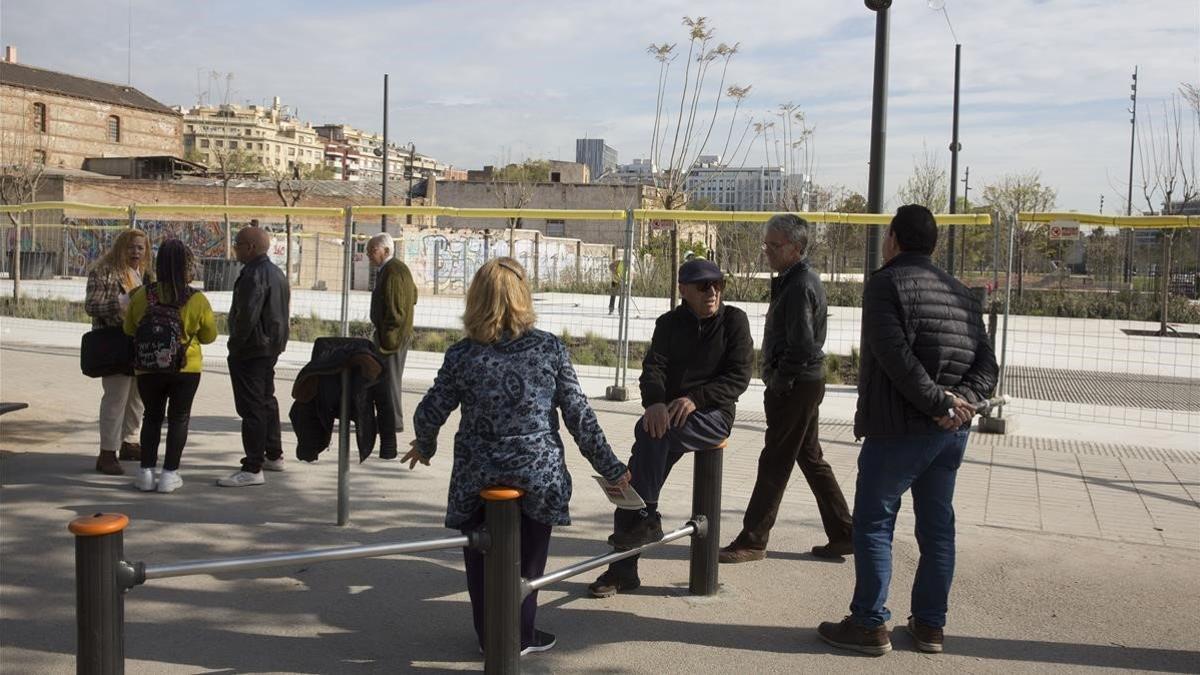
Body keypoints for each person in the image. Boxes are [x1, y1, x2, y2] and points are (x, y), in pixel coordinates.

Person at [403, 257, 629, 655]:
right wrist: (611, 468)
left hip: (479, 473)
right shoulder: (549, 348)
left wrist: (425, 444)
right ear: (523, 297)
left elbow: (430, 410)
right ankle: (520, 634)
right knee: (529, 561)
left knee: (479, 558)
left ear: (476, 298)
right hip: (536, 471)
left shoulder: (462, 355)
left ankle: (488, 637)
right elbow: (580, 415)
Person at [818, 205, 997, 656]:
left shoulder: (884, 284)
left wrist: (942, 403)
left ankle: (868, 623)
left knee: (874, 524)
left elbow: (895, 356)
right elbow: (986, 365)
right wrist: (959, 407)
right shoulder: (962, 294)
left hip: (899, 430)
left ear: (894, 239)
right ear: (933, 244)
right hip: (948, 435)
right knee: (938, 529)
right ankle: (931, 626)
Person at [588, 258, 752, 598]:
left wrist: (696, 398)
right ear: (683, 290)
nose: (713, 292)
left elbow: (739, 377)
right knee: (633, 474)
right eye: (703, 286)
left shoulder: (734, 321)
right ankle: (624, 568)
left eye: (718, 284)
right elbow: (654, 368)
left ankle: (645, 520)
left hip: (713, 415)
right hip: (670, 418)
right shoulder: (669, 323)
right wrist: (656, 403)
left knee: (650, 436)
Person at [720, 214, 852, 563]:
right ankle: (844, 532)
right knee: (810, 458)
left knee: (776, 460)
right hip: (804, 382)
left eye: (774, 245)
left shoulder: (799, 285)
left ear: (796, 248)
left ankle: (753, 538)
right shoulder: (796, 279)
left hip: (797, 385)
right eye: (766, 243)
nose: (767, 251)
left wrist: (780, 380)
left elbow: (803, 344)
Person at [123, 239, 217, 493]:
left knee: (151, 417)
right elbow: (209, 336)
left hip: (147, 367)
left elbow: (129, 329)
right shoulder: (196, 299)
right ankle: (169, 474)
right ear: (186, 265)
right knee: (179, 419)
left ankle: (145, 472)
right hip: (185, 369)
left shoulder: (144, 294)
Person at [218, 225, 291, 487]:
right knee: (265, 401)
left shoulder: (253, 274)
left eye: (237, 244)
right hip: (269, 347)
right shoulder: (276, 272)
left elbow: (246, 315)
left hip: (251, 349)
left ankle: (252, 466)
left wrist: (235, 344)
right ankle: (274, 454)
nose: (234, 248)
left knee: (252, 407)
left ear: (250, 247)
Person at [84, 228, 151, 475]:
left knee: (137, 397)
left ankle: (130, 442)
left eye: (140, 247)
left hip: (137, 342)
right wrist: (120, 303)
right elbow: (91, 306)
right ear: (120, 248)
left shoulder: (142, 273)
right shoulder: (103, 272)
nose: (135, 251)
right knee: (116, 397)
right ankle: (107, 453)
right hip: (114, 341)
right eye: (131, 246)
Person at [366, 232, 418, 457]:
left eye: (372, 250)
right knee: (389, 380)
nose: (369, 255)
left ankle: (393, 422)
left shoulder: (393, 271)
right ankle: (392, 420)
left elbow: (396, 310)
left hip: (393, 337)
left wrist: (387, 334)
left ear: (385, 250)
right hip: (395, 335)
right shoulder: (395, 269)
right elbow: (413, 295)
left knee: (389, 382)